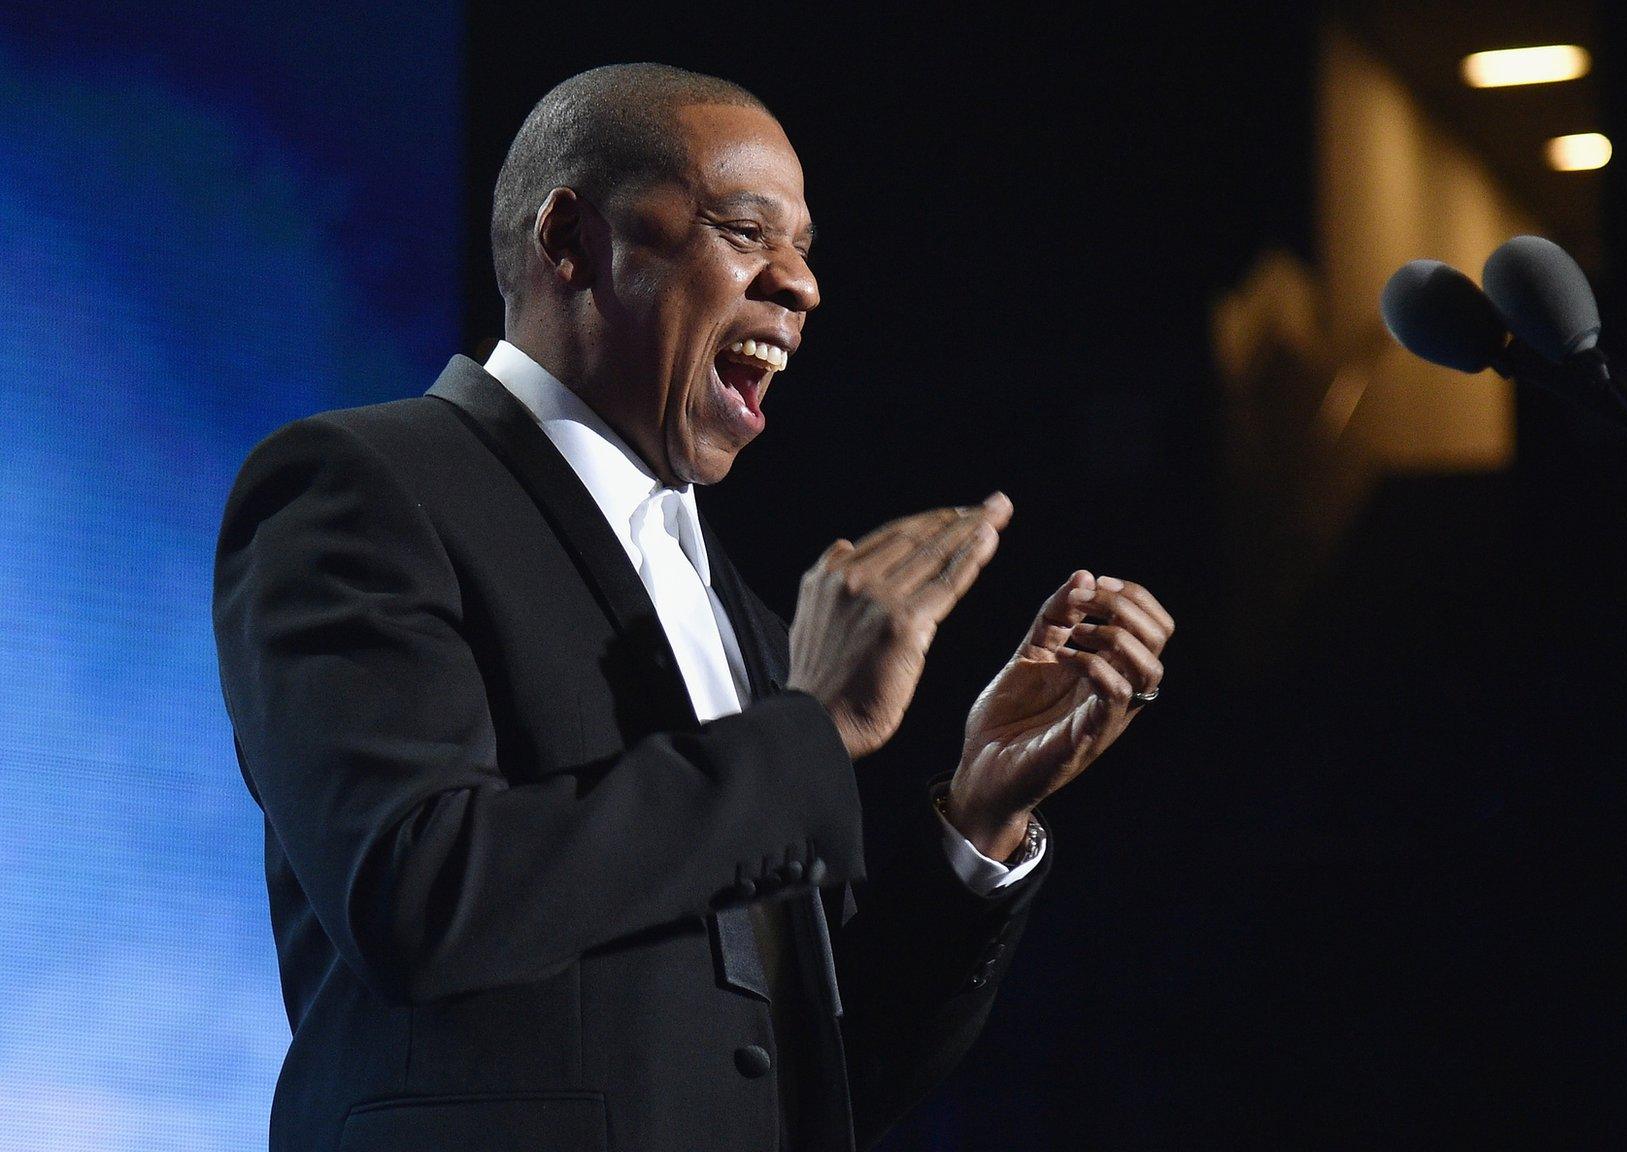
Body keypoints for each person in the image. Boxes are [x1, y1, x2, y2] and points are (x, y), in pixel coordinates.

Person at [211, 64, 1172, 1152]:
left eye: (805, 247)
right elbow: (417, 894)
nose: (800, 285)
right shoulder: (362, 487)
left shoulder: (747, 624)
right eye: (746, 229)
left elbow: (830, 1071)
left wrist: (976, 817)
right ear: (569, 239)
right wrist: (806, 735)